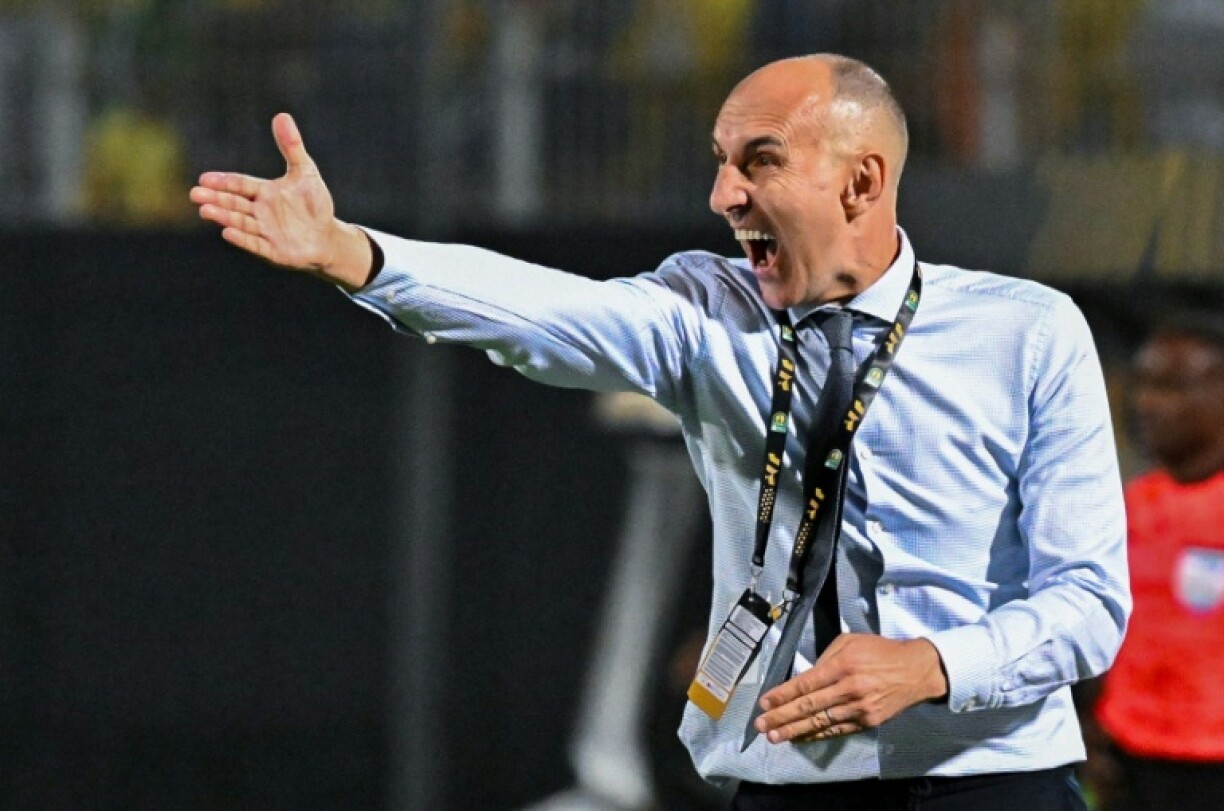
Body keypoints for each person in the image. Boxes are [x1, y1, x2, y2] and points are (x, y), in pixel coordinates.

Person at [190, 54, 1129, 810]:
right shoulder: (705, 305)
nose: (723, 195)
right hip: (787, 785)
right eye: (719, 161)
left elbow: (1089, 602)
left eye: (758, 160)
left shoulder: (1028, 331)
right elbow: (546, 313)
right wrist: (359, 254)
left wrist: (932, 664)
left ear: (862, 181)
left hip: (995, 780)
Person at [1091, 317, 1224, 811]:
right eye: (1143, 385)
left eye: (1170, 387)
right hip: (1131, 763)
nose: (1146, 403)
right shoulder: (1124, 508)